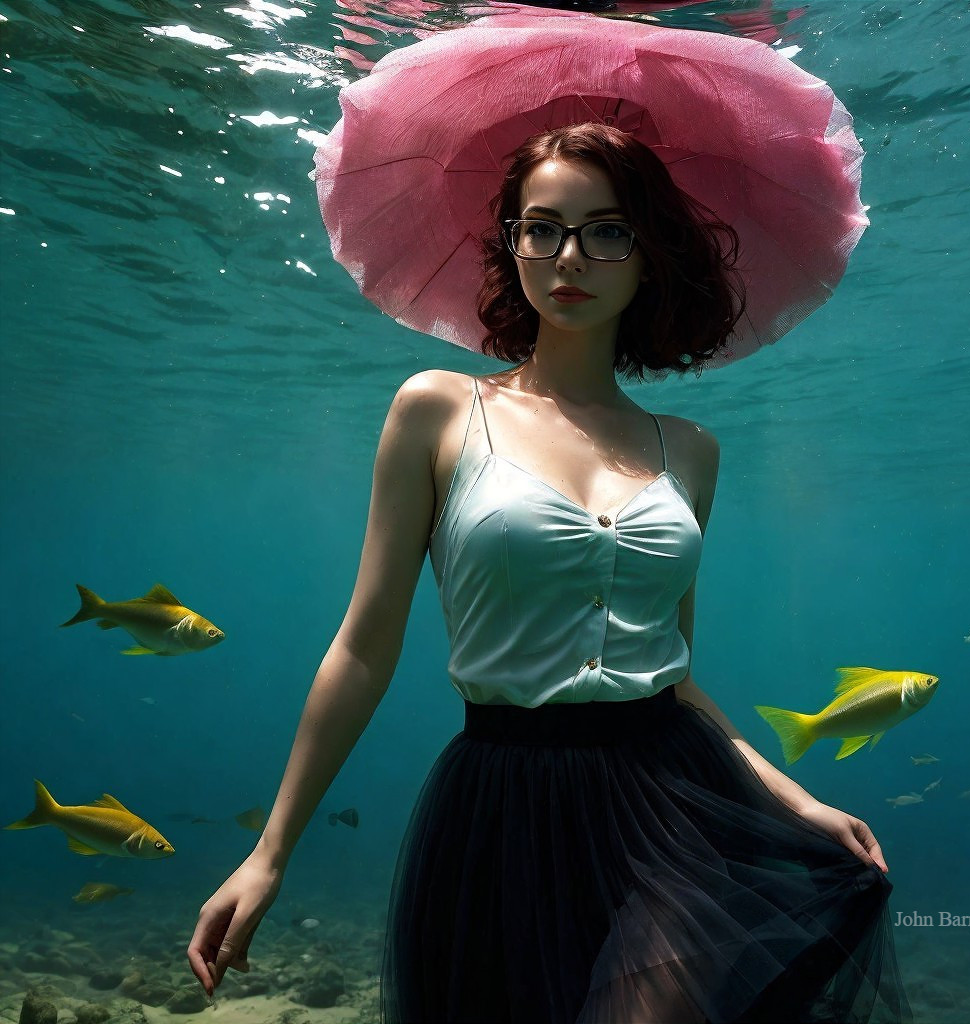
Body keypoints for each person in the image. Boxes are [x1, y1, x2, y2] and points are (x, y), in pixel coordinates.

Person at [188, 124, 910, 1022]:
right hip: (502, 809)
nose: (570, 256)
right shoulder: (437, 410)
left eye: (607, 230)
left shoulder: (690, 450)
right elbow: (364, 647)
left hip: (672, 803)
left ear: (650, 255)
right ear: (511, 244)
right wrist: (271, 850)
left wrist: (797, 799)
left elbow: (674, 679)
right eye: (542, 227)